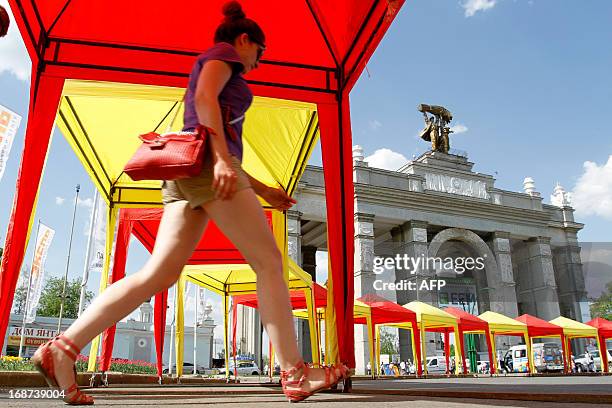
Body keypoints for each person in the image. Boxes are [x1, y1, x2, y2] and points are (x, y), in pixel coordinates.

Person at [30, 1, 348, 404]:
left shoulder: (220, 65)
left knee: (157, 274)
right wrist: (220, 161)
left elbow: (214, 137)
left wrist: (263, 190)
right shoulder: (224, 54)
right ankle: (295, 373)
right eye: (259, 53)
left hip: (189, 172)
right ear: (245, 40)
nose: (257, 63)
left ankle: (63, 348)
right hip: (203, 168)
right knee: (268, 263)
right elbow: (203, 100)